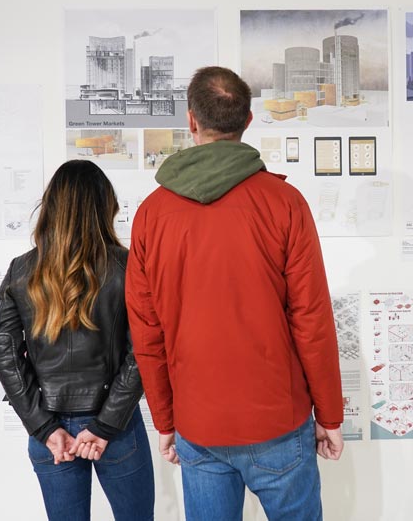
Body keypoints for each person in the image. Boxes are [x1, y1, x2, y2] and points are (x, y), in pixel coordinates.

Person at [126, 66, 343, 521]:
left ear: (191, 122)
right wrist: (330, 415)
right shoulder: (284, 203)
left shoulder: (152, 215)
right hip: (278, 422)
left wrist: (165, 420)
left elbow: (147, 332)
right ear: (248, 122)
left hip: (198, 424)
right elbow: (312, 318)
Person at [0, 160, 154, 521]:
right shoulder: (128, 267)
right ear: (104, 206)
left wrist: (44, 428)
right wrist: (106, 424)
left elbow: (5, 354)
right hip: (116, 427)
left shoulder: (22, 269)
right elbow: (142, 350)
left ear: (50, 207)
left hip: (50, 427)